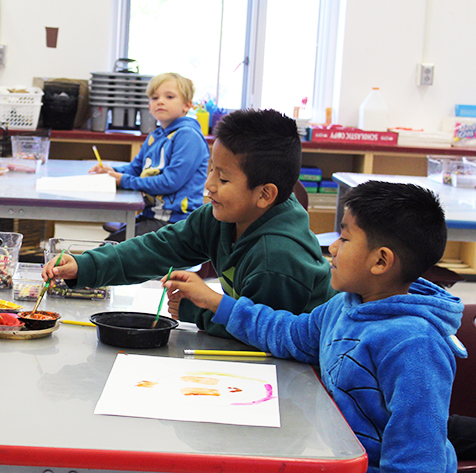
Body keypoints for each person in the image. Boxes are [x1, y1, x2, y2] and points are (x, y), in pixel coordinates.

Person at [163, 180, 465, 473]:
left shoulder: (414, 345)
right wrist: (218, 304)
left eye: (345, 239)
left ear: (381, 262)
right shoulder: (345, 305)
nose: (332, 248)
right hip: (330, 453)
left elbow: (417, 459)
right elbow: (289, 334)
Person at [43, 109, 335, 338]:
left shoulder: (278, 256)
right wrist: (85, 266)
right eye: (210, 170)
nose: (208, 186)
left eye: (223, 178)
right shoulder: (222, 216)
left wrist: (200, 311)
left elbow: (266, 334)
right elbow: (159, 249)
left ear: (264, 194)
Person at [92, 72, 209, 241]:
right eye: (154, 98)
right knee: (108, 249)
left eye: (169, 97)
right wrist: (112, 171)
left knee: (108, 253)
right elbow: (136, 168)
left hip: (177, 223)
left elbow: (170, 182)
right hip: (153, 216)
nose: (160, 101)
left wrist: (123, 180)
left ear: (187, 105)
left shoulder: (188, 137)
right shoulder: (155, 135)